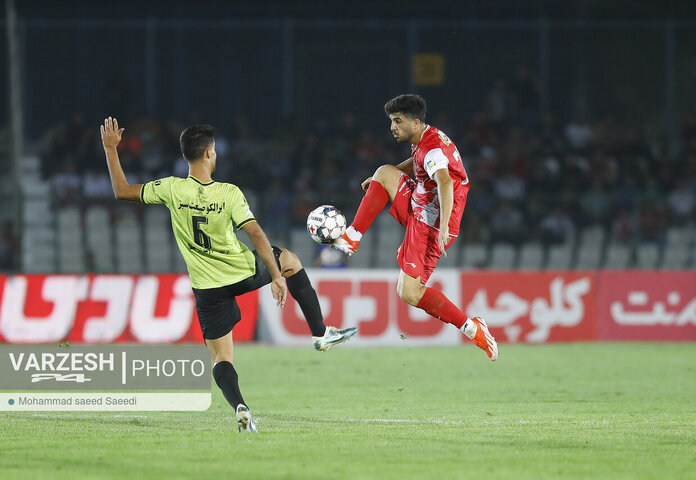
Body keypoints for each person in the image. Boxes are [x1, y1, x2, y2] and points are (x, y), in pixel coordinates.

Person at [101, 118, 357, 432]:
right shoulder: (229, 193)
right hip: (242, 272)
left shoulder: (170, 187)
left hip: (207, 288)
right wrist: (277, 276)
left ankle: (240, 406)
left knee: (222, 358)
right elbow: (257, 235)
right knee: (290, 259)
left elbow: (122, 191)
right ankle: (320, 333)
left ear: (187, 155)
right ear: (210, 153)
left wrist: (111, 149)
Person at [332, 94, 498, 361]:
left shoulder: (432, 149)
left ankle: (471, 327)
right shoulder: (425, 140)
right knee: (385, 171)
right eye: (391, 121)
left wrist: (443, 228)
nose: (392, 127)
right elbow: (418, 162)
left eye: (397, 121)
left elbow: (444, 182)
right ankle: (351, 236)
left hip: (431, 225)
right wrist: (381, 179)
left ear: (416, 122)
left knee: (408, 293)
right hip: (420, 205)